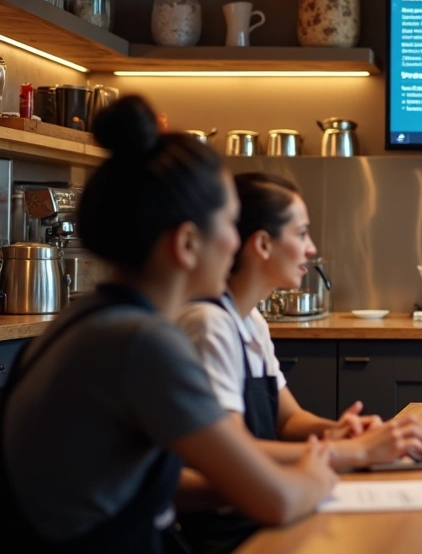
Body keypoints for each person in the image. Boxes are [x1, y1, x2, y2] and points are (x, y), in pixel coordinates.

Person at [0, 97, 337, 553]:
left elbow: (149, 480)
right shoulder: (143, 342)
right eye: (231, 223)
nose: (238, 241)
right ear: (187, 243)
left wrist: (246, 483)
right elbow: (277, 502)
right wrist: (319, 470)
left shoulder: (90, 320)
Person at [175, 172, 422, 553]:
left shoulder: (249, 320)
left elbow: (288, 419)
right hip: (223, 532)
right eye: (301, 234)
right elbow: (237, 450)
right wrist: (356, 451)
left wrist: (338, 432)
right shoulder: (207, 324)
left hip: (256, 511)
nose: (311, 249)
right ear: (262, 244)